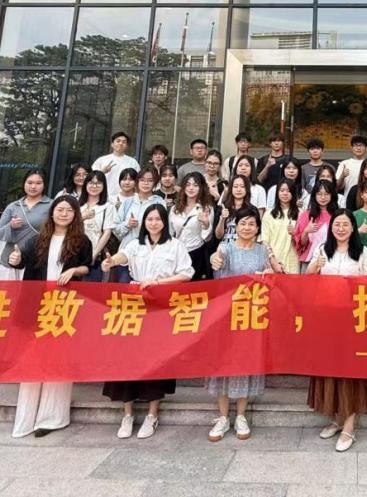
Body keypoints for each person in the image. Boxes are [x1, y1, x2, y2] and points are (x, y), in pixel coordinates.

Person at [102, 202, 193, 439]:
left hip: (161, 306)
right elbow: (123, 256)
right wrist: (111, 261)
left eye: (158, 219)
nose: (153, 223)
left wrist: (158, 283)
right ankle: (127, 414)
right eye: (149, 219)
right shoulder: (136, 244)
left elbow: (187, 273)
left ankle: (152, 414)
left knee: (157, 358)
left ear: (165, 222)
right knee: (127, 357)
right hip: (135, 306)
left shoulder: (175, 246)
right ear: (144, 222)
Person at [7, 197, 92, 438]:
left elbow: (88, 266)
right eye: (59, 209)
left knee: (59, 360)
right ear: (52, 213)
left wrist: (73, 270)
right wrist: (15, 259)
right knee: (32, 360)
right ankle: (26, 418)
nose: (64, 214)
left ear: (75, 215)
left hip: (65, 306)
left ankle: (52, 417)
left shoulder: (81, 241)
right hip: (37, 305)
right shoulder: (37, 240)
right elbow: (20, 260)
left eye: (69, 210)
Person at [207, 207, 282, 441]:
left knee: (246, 364)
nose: (247, 228)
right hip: (226, 316)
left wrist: (270, 268)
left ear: (258, 228)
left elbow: (276, 277)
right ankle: (222, 417)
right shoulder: (226, 247)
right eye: (243, 223)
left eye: (252, 224)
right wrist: (215, 259)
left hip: (252, 316)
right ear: (235, 226)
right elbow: (217, 260)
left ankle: (240, 415)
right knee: (223, 365)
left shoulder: (262, 251)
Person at [307, 210, 367, 452]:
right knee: (329, 369)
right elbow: (307, 279)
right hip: (326, 319)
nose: (341, 228)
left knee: (350, 371)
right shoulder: (322, 250)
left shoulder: (362, 252)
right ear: (331, 227)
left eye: (345, 224)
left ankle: (349, 426)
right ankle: (336, 418)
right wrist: (315, 266)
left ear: (353, 228)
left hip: (351, 319)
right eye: (337, 224)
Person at [0, 169, 52, 280]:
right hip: (10, 259)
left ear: (44, 185)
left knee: (30, 291)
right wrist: (10, 226)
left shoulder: (51, 205)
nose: (33, 186)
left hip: (35, 261)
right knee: (8, 291)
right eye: (30, 183)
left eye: (38, 183)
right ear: (24, 183)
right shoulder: (13, 206)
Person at [113, 167, 165, 282]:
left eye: (150, 180)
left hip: (149, 256)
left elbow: (164, 229)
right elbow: (115, 229)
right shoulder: (128, 202)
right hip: (126, 254)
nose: (146, 183)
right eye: (142, 180)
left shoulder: (159, 202)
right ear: (137, 182)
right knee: (124, 286)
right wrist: (127, 225)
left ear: (155, 183)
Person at [170, 172, 215, 281]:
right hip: (177, 253)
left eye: (195, 185)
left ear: (201, 188)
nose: (191, 188)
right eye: (188, 185)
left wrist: (206, 223)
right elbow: (170, 232)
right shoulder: (175, 209)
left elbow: (207, 237)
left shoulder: (206, 208)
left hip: (196, 252)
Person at [80, 169, 115, 282]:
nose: (94, 186)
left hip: (95, 254)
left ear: (104, 186)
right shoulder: (77, 204)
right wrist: (82, 217)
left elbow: (107, 233)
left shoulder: (108, 207)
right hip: (73, 252)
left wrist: (94, 254)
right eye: (91, 183)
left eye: (98, 183)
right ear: (86, 185)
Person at [294, 179, 337, 272]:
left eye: (326, 194)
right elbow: (301, 244)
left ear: (332, 195)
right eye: (319, 194)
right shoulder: (306, 215)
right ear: (314, 195)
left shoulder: (337, 215)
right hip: (309, 260)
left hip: (332, 260)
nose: (323, 197)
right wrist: (306, 231)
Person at [262, 180, 301, 275]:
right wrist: (273, 260)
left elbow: (303, 242)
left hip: (293, 261)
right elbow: (264, 240)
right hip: (273, 261)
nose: (285, 193)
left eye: (288, 191)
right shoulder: (269, 214)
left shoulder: (300, 213)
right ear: (277, 193)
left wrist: (294, 234)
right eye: (282, 190)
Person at [93, 131, 141, 200]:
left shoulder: (133, 162)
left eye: (124, 142)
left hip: (126, 198)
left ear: (127, 146)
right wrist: (102, 172)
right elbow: (91, 179)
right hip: (104, 197)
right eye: (118, 141)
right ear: (112, 144)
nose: (121, 143)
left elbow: (138, 182)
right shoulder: (101, 160)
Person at [216, 175, 253, 243]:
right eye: (235, 186)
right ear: (231, 188)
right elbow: (218, 236)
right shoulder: (224, 208)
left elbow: (254, 235)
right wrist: (222, 219)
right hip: (225, 247)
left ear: (247, 189)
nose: (239, 189)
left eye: (242, 186)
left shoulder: (252, 210)